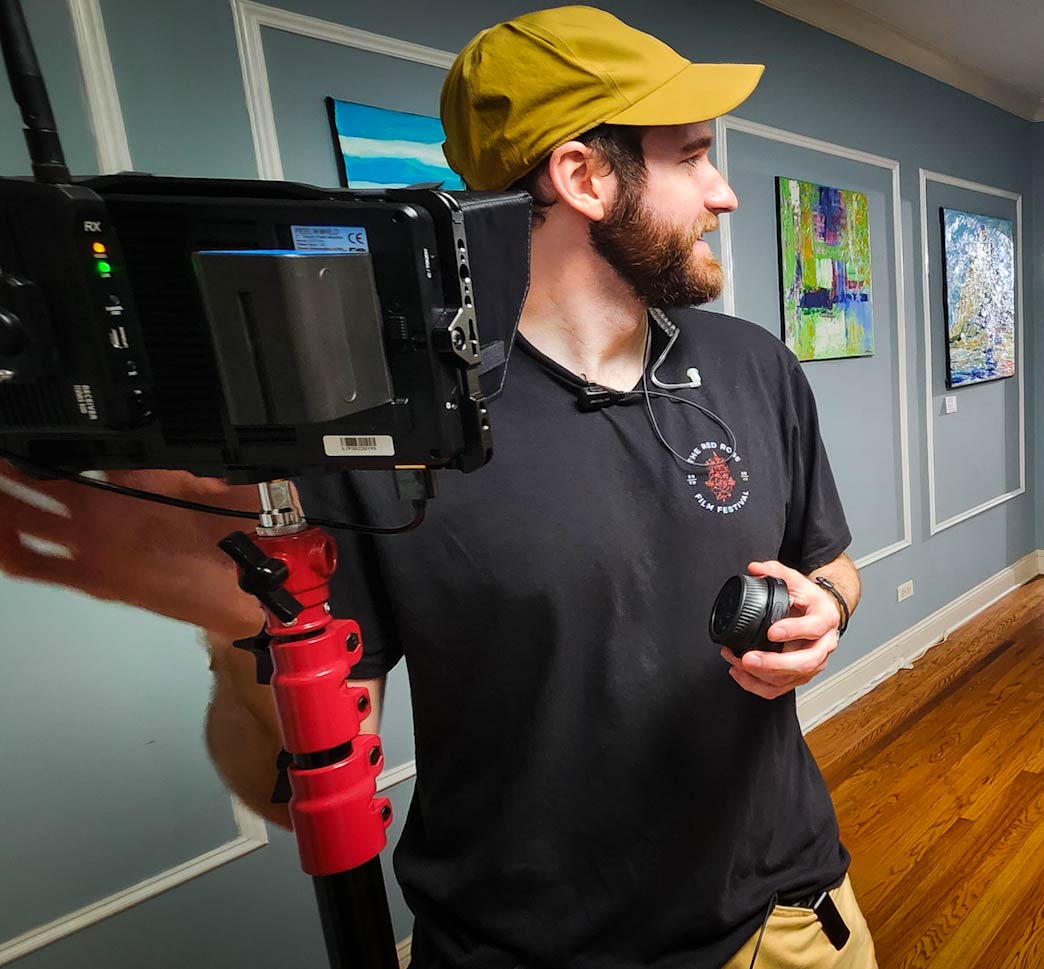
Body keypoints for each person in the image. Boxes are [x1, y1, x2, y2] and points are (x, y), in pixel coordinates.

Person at [0, 9, 880, 968]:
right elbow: (297, 794)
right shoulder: (389, 434)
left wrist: (823, 611)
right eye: (696, 157)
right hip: (526, 947)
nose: (725, 194)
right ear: (584, 176)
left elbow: (830, 563)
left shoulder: (754, 365)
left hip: (792, 922)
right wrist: (243, 625)